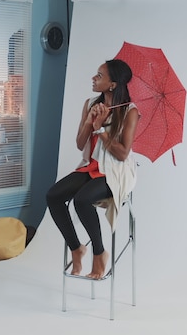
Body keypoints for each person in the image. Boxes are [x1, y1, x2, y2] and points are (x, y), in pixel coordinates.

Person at [46, 59, 140, 280]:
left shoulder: (129, 112)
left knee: (81, 200)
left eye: (99, 76)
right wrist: (90, 122)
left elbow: (123, 153)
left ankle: (99, 253)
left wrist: (101, 130)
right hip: (92, 167)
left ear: (113, 85)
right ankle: (76, 248)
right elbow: (80, 144)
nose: (93, 78)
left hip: (115, 171)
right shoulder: (90, 104)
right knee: (53, 196)